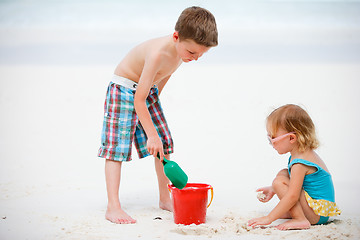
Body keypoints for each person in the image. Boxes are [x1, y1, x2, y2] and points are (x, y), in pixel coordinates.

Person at [97, 6, 218, 224]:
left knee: (164, 142)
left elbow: (161, 82)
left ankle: (165, 198)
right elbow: (137, 99)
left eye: (201, 54)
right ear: (176, 37)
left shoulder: (183, 54)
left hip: (146, 93)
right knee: (117, 148)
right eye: (192, 53)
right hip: (124, 90)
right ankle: (112, 206)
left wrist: (153, 125)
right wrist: (149, 135)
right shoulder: (157, 54)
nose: (196, 58)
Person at [248, 104, 341, 230]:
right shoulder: (302, 154)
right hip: (319, 210)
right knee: (283, 173)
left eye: (273, 139)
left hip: (316, 214)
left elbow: (292, 195)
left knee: (279, 181)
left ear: (291, 138)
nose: (271, 143)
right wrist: (273, 189)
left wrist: (269, 218)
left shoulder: (299, 163)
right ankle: (297, 214)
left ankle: (300, 219)